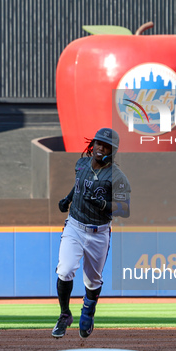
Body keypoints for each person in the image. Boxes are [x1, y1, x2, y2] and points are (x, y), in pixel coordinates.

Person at [52, 127, 131, 339]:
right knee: (65, 269)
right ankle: (64, 314)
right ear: (92, 144)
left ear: (112, 151)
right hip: (75, 226)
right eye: (98, 143)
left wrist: (104, 204)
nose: (101, 148)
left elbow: (125, 209)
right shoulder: (81, 164)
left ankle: (88, 310)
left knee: (93, 281)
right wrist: (68, 199)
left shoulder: (117, 177)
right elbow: (78, 184)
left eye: (106, 146)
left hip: (99, 232)